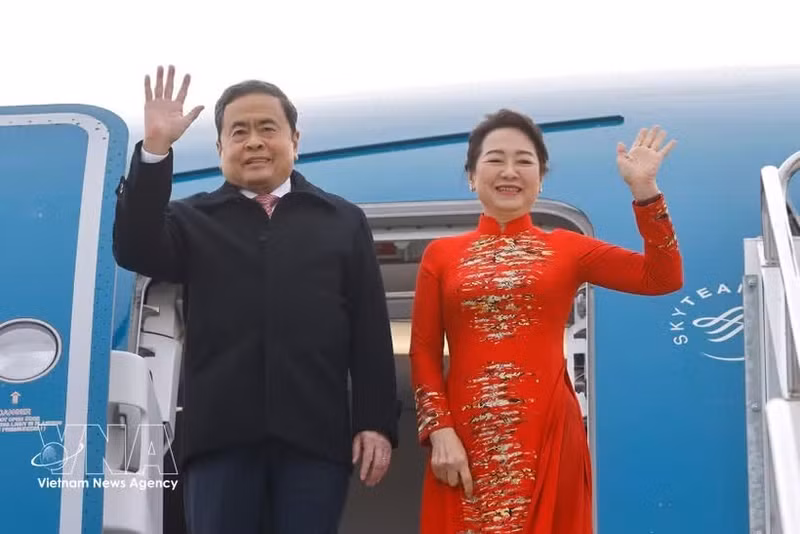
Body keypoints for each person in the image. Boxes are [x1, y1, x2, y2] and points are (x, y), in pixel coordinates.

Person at [112, 65, 399, 534]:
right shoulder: (191, 219)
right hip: (219, 441)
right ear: (221, 147)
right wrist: (156, 150)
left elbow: (369, 330)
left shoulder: (341, 220)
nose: (254, 142)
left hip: (315, 439)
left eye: (268, 128)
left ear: (295, 139)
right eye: (238, 132)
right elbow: (133, 246)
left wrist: (376, 422)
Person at [409, 109, 683, 533]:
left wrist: (645, 192)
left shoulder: (568, 248)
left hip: (550, 437)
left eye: (524, 161)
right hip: (463, 444)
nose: (510, 171)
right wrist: (439, 431)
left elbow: (662, 277)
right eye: (495, 159)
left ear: (541, 178)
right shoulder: (440, 256)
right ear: (471, 174)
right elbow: (424, 351)